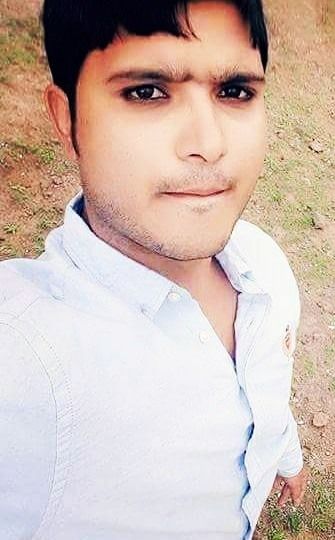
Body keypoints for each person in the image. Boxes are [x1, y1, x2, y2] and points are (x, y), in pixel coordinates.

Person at [0, 1, 307, 538]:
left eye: (235, 91)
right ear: (66, 120)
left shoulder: (264, 266)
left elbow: (268, 393)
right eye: (146, 91)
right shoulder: (25, 375)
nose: (209, 145)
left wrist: (285, 457)